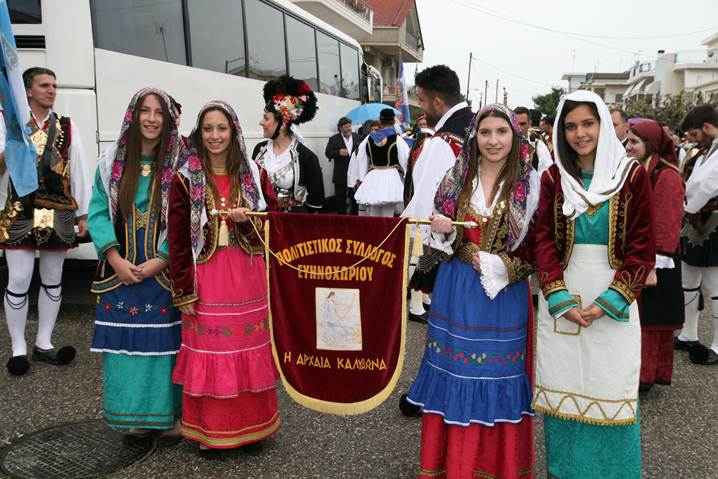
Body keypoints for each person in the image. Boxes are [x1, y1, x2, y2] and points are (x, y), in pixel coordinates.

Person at [406, 104, 539, 479]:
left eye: (502, 131)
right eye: (485, 132)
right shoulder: (456, 177)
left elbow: (538, 245)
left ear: (515, 136)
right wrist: (445, 230)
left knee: (498, 376)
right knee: (454, 372)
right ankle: (454, 466)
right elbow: (439, 241)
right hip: (457, 288)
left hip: (504, 294)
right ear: (474, 137)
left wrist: (502, 267)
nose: (493, 140)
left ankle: (495, 468)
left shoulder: (530, 183)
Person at [533, 90, 654, 478]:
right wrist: (559, 298)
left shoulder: (631, 176)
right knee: (563, 391)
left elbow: (642, 246)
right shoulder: (554, 177)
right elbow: (543, 239)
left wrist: (608, 302)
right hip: (563, 299)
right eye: (570, 126)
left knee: (612, 389)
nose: (580, 134)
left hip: (614, 300)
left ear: (603, 124)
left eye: (588, 123)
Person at [168, 100, 280, 457]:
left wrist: (248, 222)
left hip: (247, 276)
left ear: (233, 131)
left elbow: (274, 225)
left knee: (248, 350)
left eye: (221, 128)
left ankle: (254, 428)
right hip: (206, 279)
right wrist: (183, 290)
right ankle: (213, 432)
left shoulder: (254, 173)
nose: (214, 136)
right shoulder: (184, 179)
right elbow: (177, 240)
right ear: (198, 133)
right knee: (213, 352)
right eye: (208, 129)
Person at [88, 88, 183, 440]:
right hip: (120, 272)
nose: (152, 119)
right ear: (133, 114)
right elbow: (98, 212)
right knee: (125, 349)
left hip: (162, 273)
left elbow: (185, 216)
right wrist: (114, 258)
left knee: (164, 348)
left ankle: (168, 417)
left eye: (159, 112)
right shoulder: (110, 161)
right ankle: (135, 416)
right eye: (145, 110)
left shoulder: (180, 162)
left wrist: (162, 258)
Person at [1, 67, 90, 376]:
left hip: (58, 209)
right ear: (28, 90)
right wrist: (13, 144)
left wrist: (83, 214)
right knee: (19, 278)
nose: (52, 90)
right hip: (20, 209)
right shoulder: (8, 122)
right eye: (44, 85)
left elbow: (78, 168)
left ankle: (44, 343)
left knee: (53, 277)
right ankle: (18, 348)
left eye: (54, 85)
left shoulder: (67, 125)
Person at [399, 64, 473, 417]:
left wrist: (422, 258)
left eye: (423, 100)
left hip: (447, 246)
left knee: (445, 324)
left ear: (438, 102)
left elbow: (425, 208)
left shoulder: (442, 143)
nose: (421, 107)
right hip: (483, 244)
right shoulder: (482, 128)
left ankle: (433, 389)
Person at [625, 119, 685, 390]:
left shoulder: (667, 176)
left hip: (659, 261)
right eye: (628, 141)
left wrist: (652, 266)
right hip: (643, 256)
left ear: (650, 144)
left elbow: (666, 224)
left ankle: (645, 376)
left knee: (650, 321)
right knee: (642, 319)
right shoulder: (640, 170)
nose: (628, 146)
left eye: (634, 142)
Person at [675, 105, 718, 365]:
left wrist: (687, 208)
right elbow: (693, 183)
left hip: (713, 224)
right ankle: (688, 334)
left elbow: (708, 184)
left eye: (695, 134)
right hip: (694, 221)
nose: (693, 140)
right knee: (688, 281)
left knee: (715, 287)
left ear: (707, 127)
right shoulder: (705, 152)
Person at [253, 76, 324, 213]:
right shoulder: (259, 150)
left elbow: (315, 202)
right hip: (260, 221)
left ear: (282, 124)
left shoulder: (307, 157)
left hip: (289, 222)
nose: (261, 122)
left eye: (266, 118)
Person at [353, 108, 409, 217]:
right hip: (391, 177)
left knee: (374, 213)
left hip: (373, 177)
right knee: (388, 214)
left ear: (380, 121)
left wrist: (361, 177)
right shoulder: (397, 139)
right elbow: (406, 161)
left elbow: (361, 158)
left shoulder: (369, 138)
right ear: (394, 121)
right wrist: (407, 179)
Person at [325, 116, 359, 214]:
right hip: (340, 174)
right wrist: (338, 152)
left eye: (349, 126)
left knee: (355, 198)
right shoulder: (334, 139)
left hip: (354, 174)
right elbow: (328, 153)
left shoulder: (357, 137)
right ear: (340, 128)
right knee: (340, 199)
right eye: (346, 127)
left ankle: (355, 217)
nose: (349, 129)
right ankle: (341, 218)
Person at [348, 120, 379, 216]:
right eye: (372, 129)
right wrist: (355, 182)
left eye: (376, 130)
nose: (373, 132)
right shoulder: (362, 145)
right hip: (363, 181)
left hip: (376, 182)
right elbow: (355, 166)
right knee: (363, 209)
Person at [514, 106, 552, 174]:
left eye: (522, 124)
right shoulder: (503, 146)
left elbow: (547, 173)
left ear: (529, 123)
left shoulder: (538, 145)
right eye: (516, 124)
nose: (519, 128)